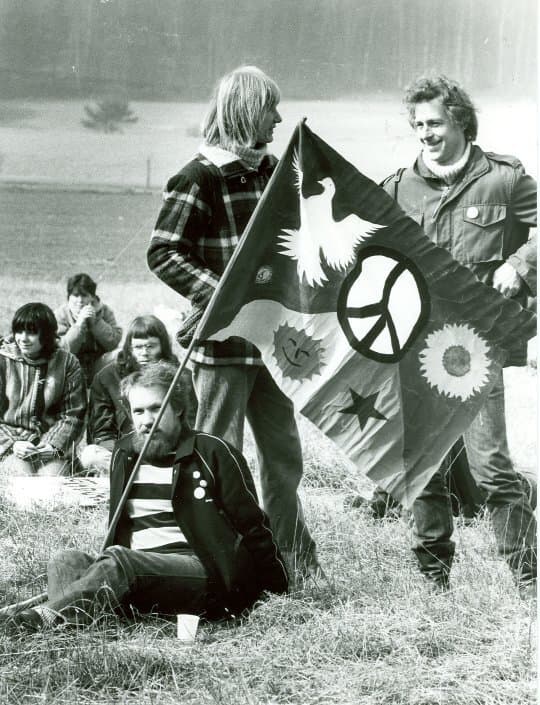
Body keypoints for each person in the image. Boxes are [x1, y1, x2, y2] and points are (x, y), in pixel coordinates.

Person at [147, 66, 319, 579]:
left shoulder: (273, 174)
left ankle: (294, 561)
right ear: (247, 112)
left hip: (272, 343)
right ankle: (221, 562)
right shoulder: (198, 176)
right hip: (223, 346)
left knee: (283, 457)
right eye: (270, 109)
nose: (278, 118)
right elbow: (162, 252)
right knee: (220, 456)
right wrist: (219, 295)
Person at [382, 75, 537, 595]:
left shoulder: (505, 179)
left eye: (435, 123)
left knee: (490, 468)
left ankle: (529, 580)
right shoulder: (398, 187)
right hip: (416, 345)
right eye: (418, 124)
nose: (425, 133)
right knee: (423, 465)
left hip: (479, 344)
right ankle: (433, 581)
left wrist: (519, 262)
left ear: (461, 121)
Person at [0, 362, 288, 632]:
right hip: (137, 573)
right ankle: (71, 624)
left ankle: (40, 618)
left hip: (200, 573)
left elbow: (253, 525)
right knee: (66, 559)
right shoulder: (125, 454)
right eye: (139, 412)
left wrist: (276, 590)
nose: (147, 421)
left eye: (156, 409)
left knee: (119, 561)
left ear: (178, 409)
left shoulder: (213, 452)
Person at [82, 314, 196, 475]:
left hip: (170, 450)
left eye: (150, 346)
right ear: (129, 348)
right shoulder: (106, 378)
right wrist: (124, 452)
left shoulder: (181, 377)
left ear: (163, 347)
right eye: (138, 347)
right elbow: (102, 432)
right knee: (90, 455)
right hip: (124, 453)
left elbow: (191, 422)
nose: (144, 353)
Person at [0, 303, 86, 476]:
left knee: (50, 482)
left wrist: (52, 446)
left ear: (46, 335)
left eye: (31, 332)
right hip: (11, 445)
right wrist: (13, 443)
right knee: (22, 479)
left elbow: (73, 414)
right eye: (19, 331)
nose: (23, 338)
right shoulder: (3, 360)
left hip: (51, 446)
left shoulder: (68, 363)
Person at [55, 273, 122, 384]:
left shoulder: (105, 311)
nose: (80, 300)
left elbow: (113, 343)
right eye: (75, 295)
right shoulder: (60, 314)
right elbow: (63, 351)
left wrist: (95, 321)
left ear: (92, 297)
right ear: (69, 297)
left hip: (97, 364)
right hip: (70, 368)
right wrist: (79, 325)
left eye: (85, 295)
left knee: (120, 354)